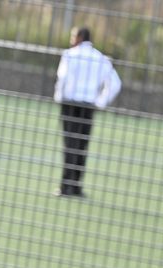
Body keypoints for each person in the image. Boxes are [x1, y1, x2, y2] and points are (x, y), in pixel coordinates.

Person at [53, 26, 121, 197]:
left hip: (70, 104)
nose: (71, 40)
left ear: (80, 37)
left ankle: (65, 186)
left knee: (70, 144)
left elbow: (62, 77)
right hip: (88, 106)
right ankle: (76, 186)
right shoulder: (100, 58)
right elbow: (115, 83)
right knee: (82, 145)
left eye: (73, 36)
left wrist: (59, 96)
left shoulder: (69, 55)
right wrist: (100, 102)